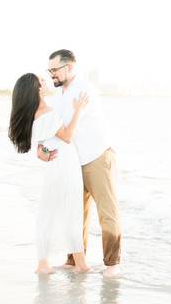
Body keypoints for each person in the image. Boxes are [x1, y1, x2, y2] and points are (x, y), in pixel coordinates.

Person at [38, 49, 122, 277]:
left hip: (97, 157)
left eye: (54, 70)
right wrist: (42, 149)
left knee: (107, 211)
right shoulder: (62, 93)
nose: (51, 74)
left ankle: (113, 264)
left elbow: (63, 126)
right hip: (74, 161)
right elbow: (52, 127)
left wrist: (47, 99)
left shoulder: (83, 88)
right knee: (76, 213)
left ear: (70, 67)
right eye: (49, 70)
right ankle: (74, 260)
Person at [8, 72, 91, 274]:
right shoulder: (46, 112)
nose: (45, 82)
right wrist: (79, 110)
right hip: (65, 166)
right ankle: (80, 264)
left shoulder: (32, 114)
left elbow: (41, 147)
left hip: (53, 168)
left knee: (48, 213)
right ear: (36, 89)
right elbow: (68, 136)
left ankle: (43, 263)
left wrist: (43, 152)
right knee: (71, 212)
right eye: (41, 81)